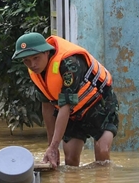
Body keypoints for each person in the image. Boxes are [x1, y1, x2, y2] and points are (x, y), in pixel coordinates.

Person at [11, 32, 119, 168]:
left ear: (46, 52)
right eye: (26, 60)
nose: (32, 64)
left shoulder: (69, 64)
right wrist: (51, 147)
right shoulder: (36, 73)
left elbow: (66, 106)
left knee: (102, 153)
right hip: (73, 114)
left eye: (36, 58)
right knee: (70, 160)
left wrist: (55, 145)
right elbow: (47, 106)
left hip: (99, 105)